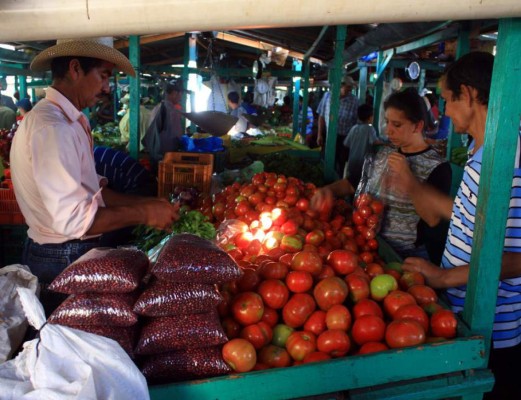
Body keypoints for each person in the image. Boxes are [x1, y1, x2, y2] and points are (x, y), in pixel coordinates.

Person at [9, 37, 180, 314]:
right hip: (61, 256)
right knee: (71, 347)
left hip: (64, 252)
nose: (106, 87)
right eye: (103, 76)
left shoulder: (70, 121)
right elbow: (75, 219)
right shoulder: (53, 128)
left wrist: (143, 205)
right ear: (75, 69)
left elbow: (90, 193)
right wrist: (144, 214)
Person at [388, 52, 521, 400]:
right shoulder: (483, 151)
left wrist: (445, 276)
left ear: (469, 94)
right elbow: (472, 218)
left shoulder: (509, 158)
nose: (444, 111)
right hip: (464, 313)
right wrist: (415, 188)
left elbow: (517, 259)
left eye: (447, 100)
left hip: (494, 329)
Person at [311, 89, 451, 263]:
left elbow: (432, 219)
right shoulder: (382, 154)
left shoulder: (438, 166)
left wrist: (407, 178)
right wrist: (327, 191)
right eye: (387, 122)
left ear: (418, 126)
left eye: (397, 125)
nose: (388, 131)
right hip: (368, 245)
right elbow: (352, 183)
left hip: (406, 257)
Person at [93, 145, 156, 247]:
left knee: (112, 235)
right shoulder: (88, 155)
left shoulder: (88, 164)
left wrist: (147, 211)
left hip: (138, 184)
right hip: (131, 180)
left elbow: (102, 195)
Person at [317, 76, 359, 177]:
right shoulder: (327, 96)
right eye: (347, 87)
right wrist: (319, 134)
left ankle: (338, 182)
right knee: (326, 161)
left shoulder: (354, 101)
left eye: (350, 88)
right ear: (340, 86)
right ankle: (326, 181)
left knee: (342, 162)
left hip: (345, 138)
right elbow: (321, 116)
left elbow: (356, 122)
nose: (349, 90)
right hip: (329, 135)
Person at [143, 79, 185, 172]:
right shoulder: (171, 110)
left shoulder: (158, 107)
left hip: (156, 152)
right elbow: (177, 134)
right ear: (174, 93)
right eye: (180, 93)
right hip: (165, 155)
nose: (181, 96)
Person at [342, 104, 381, 188]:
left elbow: (346, 143)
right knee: (361, 185)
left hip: (352, 162)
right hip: (363, 163)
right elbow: (375, 142)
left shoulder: (354, 128)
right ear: (370, 117)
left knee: (351, 184)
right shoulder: (370, 129)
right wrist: (387, 143)